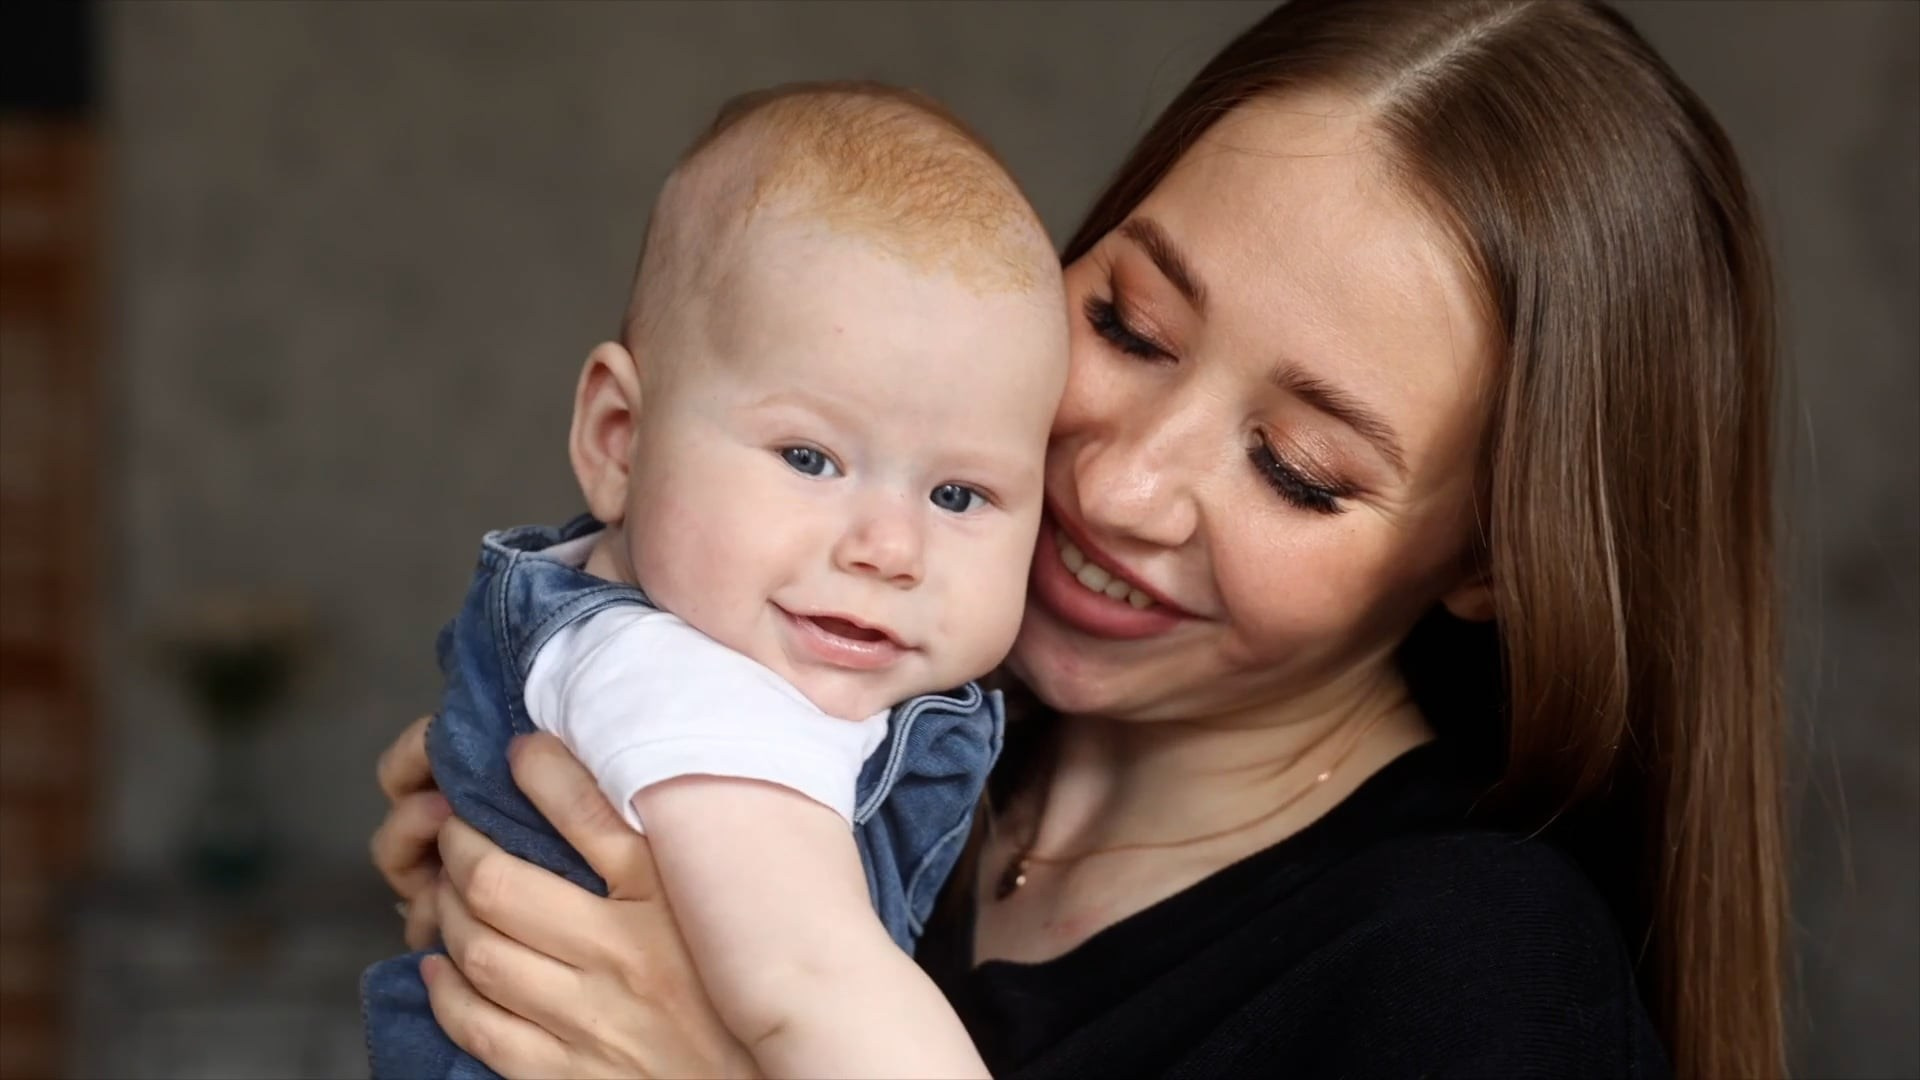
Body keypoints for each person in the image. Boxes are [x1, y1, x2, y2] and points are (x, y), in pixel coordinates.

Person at [369, 1, 1787, 1076]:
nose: (1122, 488)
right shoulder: (859, 702)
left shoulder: (1474, 975)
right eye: (1127, 326)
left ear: (1491, 557)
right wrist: (498, 900)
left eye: (1297, 472)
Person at [361, 82, 1069, 1079]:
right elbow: (816, 986)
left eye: (958, 494)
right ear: (620, 440)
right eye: (811, 459)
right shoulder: (695, 690)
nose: (890, 548)